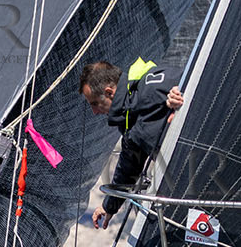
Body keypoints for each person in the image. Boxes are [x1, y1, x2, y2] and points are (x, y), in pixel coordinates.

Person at [79, 59, 185, 229]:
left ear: (109, 93)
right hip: (187, 179)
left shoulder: (153, 84)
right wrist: (108, 207)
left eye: (94, 103)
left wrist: (181, 91)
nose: (95, 112)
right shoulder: (129, 121)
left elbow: (202, 75)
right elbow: (128, 166)